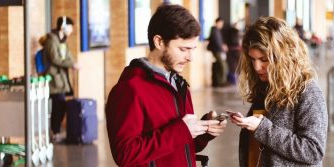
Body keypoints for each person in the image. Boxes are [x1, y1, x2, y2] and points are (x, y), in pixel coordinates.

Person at [105, 4, 227, 167]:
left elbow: (181, 145)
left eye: (192, 49)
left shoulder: (179, 84)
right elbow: (125, 155)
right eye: (183, 49)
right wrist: (183, 130)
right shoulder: (129, 89)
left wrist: (204, 130)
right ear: (159, 42)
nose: (190, 57)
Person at [230, 17, 328, 167]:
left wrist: (262, 128)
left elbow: (313, 151)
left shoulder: (308, 92)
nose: (256, 67)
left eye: (264, 59)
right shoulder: (266, 86)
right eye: (252, 59)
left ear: (283, 57)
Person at [43, 16, 80, 142]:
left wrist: (74, 63)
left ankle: (55, 131)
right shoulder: (51, 41)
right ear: (62, 27)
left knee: (61, 105)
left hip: (61, 78)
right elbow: (54, 58)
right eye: (69, 27)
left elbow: (68, 56)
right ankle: (55, 132)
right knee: (59, 105)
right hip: (53, 78)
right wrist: (71, 64)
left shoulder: (62, 41)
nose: (71, 30)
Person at [207, 17, 229, 87]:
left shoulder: (217, 31)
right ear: (217, 22)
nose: (221, 25)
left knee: (220, 66)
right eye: (221, 23)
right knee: (223, 66)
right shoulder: (214, 30)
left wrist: (223, 45)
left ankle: (220, 81)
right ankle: (221, 82)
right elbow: (216, 42)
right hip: (217, 51)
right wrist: (222, 47)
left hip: (219, 50)